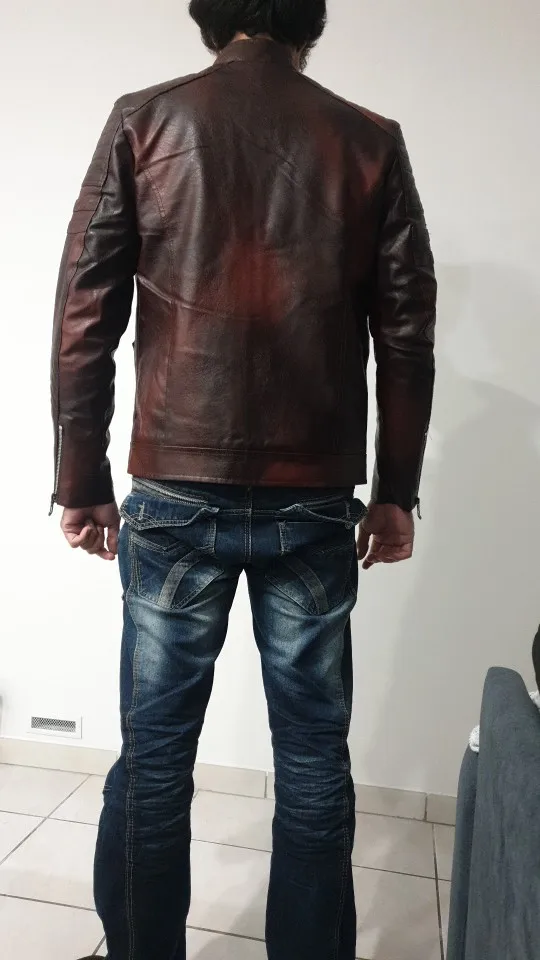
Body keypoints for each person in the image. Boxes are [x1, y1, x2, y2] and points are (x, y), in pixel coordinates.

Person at [51, 2, 436, 958]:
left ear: (209, 16)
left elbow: (85, 313)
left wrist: (80, 476)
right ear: (310, 20)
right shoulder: (367, 140)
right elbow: (407, 334)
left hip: (175, 488)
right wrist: (395, 490)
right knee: (312, 761)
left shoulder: (147, 120)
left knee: (154, 759)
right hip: (315, 494)